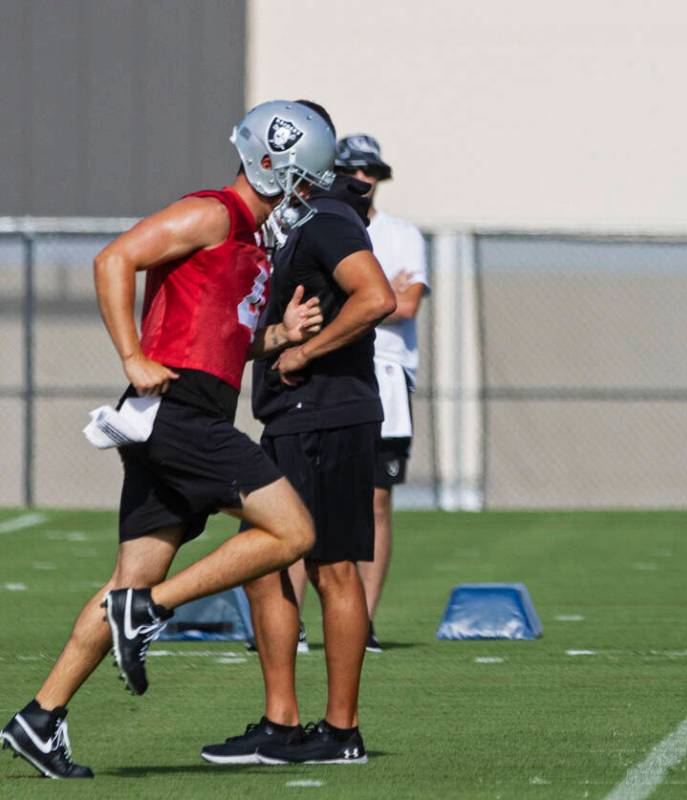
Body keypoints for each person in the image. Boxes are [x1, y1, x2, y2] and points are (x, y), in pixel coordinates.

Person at [0, 100, 337, 779]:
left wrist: (279, 338)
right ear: (272, 163)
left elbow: (221, 343)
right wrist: (129, 354)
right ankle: (149, 612)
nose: (305, 195)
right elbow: (114, 258)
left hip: (187, 413)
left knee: (131, 576)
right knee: (293, 533)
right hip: (178, 412)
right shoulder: (213, 213)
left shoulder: (249, 242)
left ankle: (41, 719)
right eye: (303, 179)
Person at [201, 113, 396, 766]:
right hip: (296, 416)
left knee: (328, 568)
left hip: (325, 415)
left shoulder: (330, 216)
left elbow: (375, 299)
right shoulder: (291, 230)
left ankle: (338, 732)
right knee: (265, 563)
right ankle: (282, 723)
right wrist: (280, 340)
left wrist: (303, 351)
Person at [285, 133, 429, 654]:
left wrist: (366, 295)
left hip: (387, 378)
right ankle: (289, 623)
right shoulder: (317, 221)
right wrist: (374, 292)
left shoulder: (402, 234)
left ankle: (361, 623)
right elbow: (370, 296)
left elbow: (400, 304)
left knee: (376, 502)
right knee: (296, 502)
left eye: (371, 172)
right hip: (329, 376)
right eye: (352, 169)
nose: (362, 180)